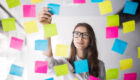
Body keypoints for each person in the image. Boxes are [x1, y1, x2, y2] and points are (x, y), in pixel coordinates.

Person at [38, 7, 106, 80]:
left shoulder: (99, 65)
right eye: (77, 34)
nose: (80, 38)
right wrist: (47, 27)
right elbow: (47, 66)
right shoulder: (64, 64)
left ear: (90, 40)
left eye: (85, 35)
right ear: (73, 39)